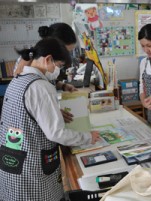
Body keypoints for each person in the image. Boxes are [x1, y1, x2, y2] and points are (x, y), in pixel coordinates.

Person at [0, 37, 100, 201]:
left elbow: (26, 115)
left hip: (12, 162)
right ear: (48, 59)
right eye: (59, 66)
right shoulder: (41, 86)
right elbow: (56, 133)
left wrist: (52, 113)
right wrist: (88, 137)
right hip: (32, 173)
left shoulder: (17, 79)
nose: (58, 71)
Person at [13, 22, 78, 123]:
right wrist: (51, 112)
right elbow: (25, 97)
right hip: (27, 123)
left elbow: (48, 79)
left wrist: (62, 86)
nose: (66, 55)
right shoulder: (27, 64)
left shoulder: (49, 60)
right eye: (65, 51)